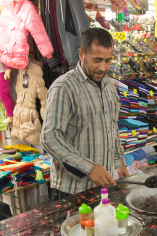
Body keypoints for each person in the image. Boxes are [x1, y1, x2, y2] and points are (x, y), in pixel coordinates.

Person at [41, 28, 128, 201]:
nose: (102, 67)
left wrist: (120, 163)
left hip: (103, 186)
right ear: (81, 54)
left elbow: (112, 129)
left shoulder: (109, 87)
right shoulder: (64, 87)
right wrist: (88, 168)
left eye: (108, 61)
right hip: (72, 190)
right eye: (97, 60)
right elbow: (50, 137)